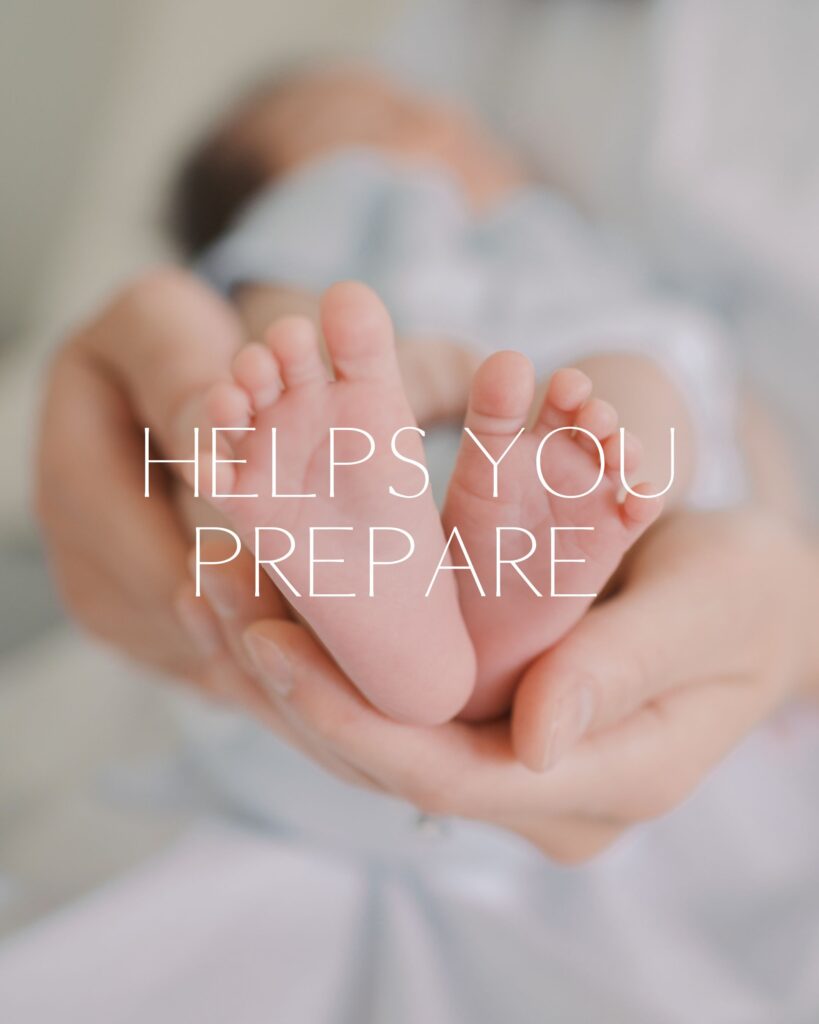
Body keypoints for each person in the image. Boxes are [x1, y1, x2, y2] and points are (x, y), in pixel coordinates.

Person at [34, 66, 819, 1024]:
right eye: (374, 116)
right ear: (268, 185)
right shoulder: (358, 199)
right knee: (263, 415)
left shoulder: (568, 236)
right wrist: (368, 374)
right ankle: (390, 552)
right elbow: (277, 311)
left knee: (629, 392)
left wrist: (786, 583)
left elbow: (743, 428)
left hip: (579, 543)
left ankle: (428, 608)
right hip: (443, 473)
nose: (440, 115)